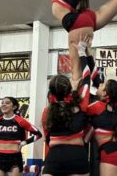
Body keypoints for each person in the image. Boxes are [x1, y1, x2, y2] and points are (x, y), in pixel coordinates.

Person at [42, 38, 91, 176]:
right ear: (69, 89)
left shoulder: (48, 111)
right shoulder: (80, 102)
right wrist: (82, 51)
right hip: (77, 155)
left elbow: (47, 136)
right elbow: (87, 76)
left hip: (55, 157)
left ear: (51, 93)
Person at [0, 97, 42, 176]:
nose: (4, 104)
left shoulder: (20, 120)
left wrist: (24, 143)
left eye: (7, 103)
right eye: (2, 103)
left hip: (14, 158)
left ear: (14, 107)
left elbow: (38, 134)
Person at [86, 79, 117, 176]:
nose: (99, 84)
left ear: (105, 93)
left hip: (111, 155)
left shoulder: (98, 106)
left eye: (103, 84)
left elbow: (80, 112)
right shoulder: (115, 111)